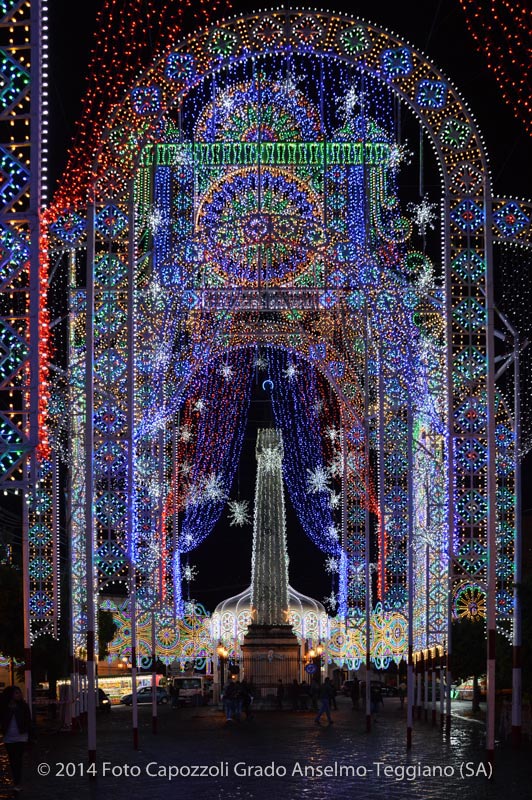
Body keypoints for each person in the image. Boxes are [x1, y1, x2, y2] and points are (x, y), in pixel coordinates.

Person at [0, 686, 33, 793]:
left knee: (18, 760)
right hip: (8, 737)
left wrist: (32, 735)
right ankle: (16, 781)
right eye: (16, 693)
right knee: (12, 760)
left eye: (19, 693)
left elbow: (28, 721)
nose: (19, 695)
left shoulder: (23, 706)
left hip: (21, 736)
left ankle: (17, 782)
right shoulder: (4, 707)